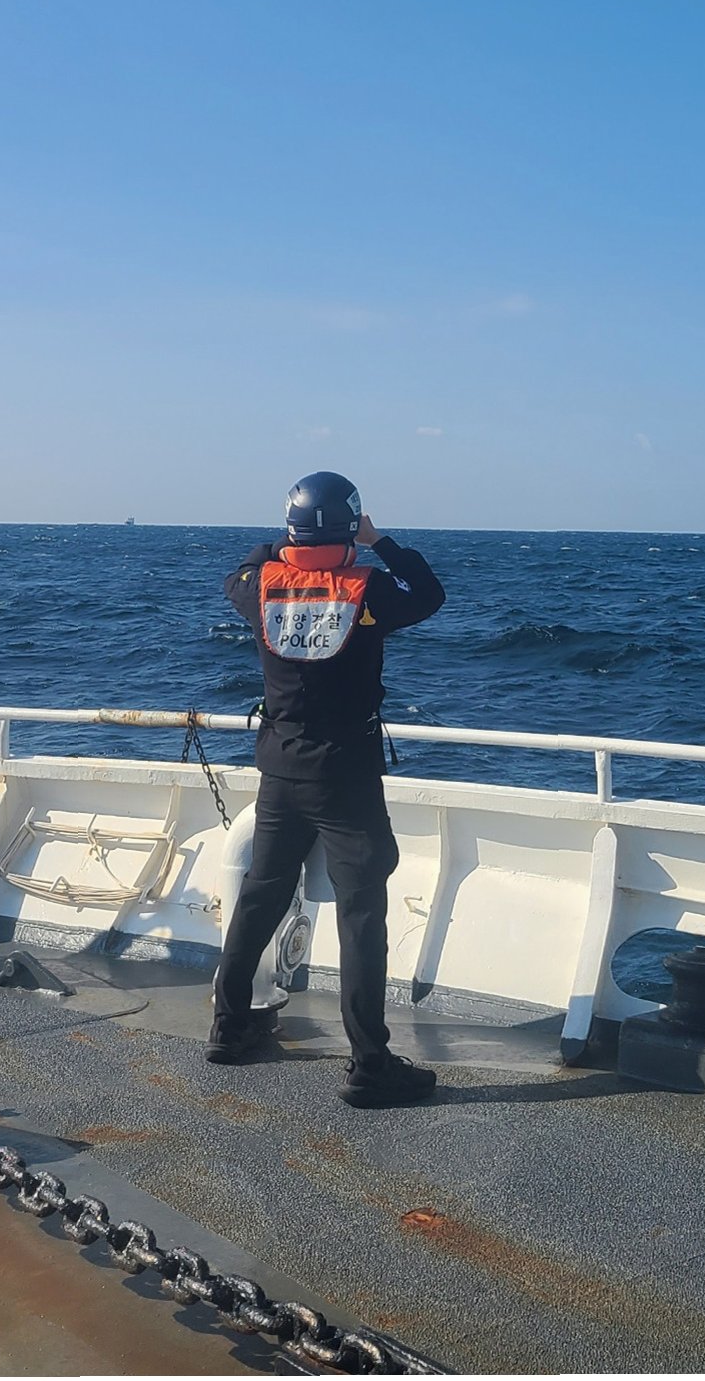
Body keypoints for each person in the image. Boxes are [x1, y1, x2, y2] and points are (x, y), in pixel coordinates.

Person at [208, 471, 447, 1107]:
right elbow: (429, 593)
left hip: (281, 769)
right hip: (346, 775)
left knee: (261, 894)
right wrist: (380, 542)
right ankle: (370, 1063)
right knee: (361, 911)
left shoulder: (260, 586)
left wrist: (279, 546)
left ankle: (229, 1028)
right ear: (351, 525)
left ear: (290, 529)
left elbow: (236, 573)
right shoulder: (368, 589)